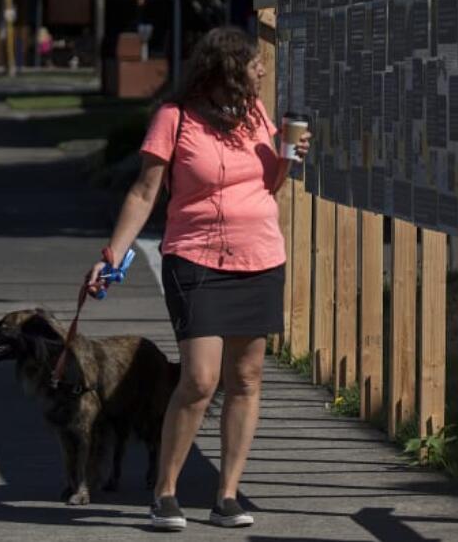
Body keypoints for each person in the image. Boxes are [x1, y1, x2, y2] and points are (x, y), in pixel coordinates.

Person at [85, 26, 309, 530]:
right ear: (226, 66)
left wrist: (291, 161)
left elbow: (267, 185)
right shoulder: (175, 117)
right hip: (196, 257)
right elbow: (145, 192)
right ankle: (165, 491)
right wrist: (112, 255)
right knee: (201, 380)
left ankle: (226, 495)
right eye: (254, 63)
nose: (262, 70)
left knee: (247, 378)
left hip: (259, 258)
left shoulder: (255, 115)